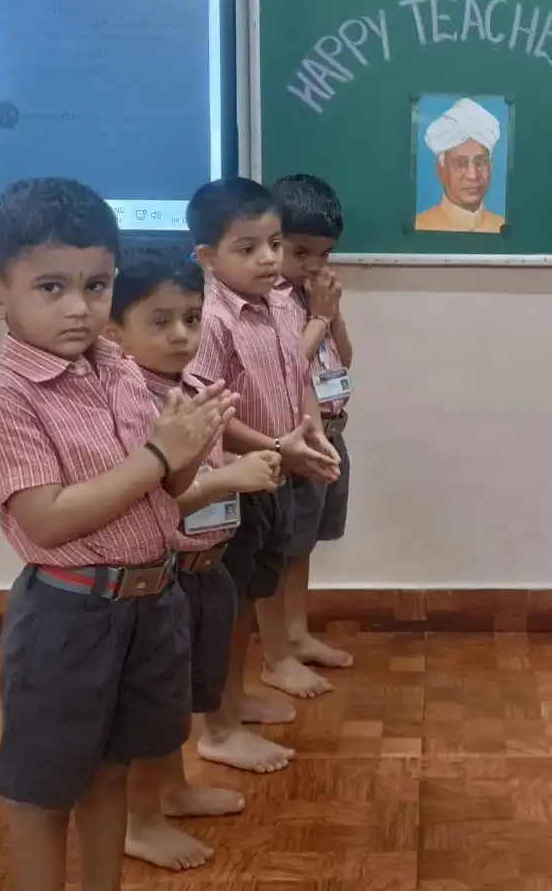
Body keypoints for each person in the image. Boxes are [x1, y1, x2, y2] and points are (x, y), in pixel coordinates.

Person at [0, 178, 228, 891]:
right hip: (68, 614)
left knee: (112, 772)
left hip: (148, 601)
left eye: (97, 285)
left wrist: (189, 446)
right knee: (45, 789)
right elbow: (45, 516)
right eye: (50, 287)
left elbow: (159, 489)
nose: (79, 308)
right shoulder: (3, 398)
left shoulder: (114, 366)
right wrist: (159, 456)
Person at [105, 249, 283, 872]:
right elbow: (153, 500)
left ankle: (173, 790)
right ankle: (140, 821)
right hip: (167, 573)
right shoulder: (126, 401)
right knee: (151, 707)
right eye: (159, 321)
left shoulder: (188, 389)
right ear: (114, 330)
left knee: (179, 697)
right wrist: (225, 479)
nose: (181, 335)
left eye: (191, 318)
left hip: (207, 567)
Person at [185, 177, 343, 771]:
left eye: (273, 243)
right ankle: (217, 730)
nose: (269, 259)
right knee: (223, 608)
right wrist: (280, 444)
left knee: (251, 599)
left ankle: (236, 699)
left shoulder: (280, 301)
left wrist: (312, 434)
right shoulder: (211, 320)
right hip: (232, 484)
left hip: (274, 475)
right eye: (247, 248)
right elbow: (211, 416)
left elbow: (296, 373)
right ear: (206, 257)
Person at [270, 174, 357, 676]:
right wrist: (318, 320)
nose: (314, 266)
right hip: (296, 438)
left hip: (330, 428)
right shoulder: (272, 300)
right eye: (301, 253)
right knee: (283, 545)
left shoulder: (311, 299)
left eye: (324, 255)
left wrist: (332, 316)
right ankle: (277, 649)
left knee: (304, 543)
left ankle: (298, 634)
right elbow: (282, 371)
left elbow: (342, 359)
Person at [415, 97, 505, 233]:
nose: (472, 175)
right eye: (461, 163)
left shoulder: (501, 227)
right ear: (441, 170)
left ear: (491, 166)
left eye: (481, 162)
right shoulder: (421, 226)